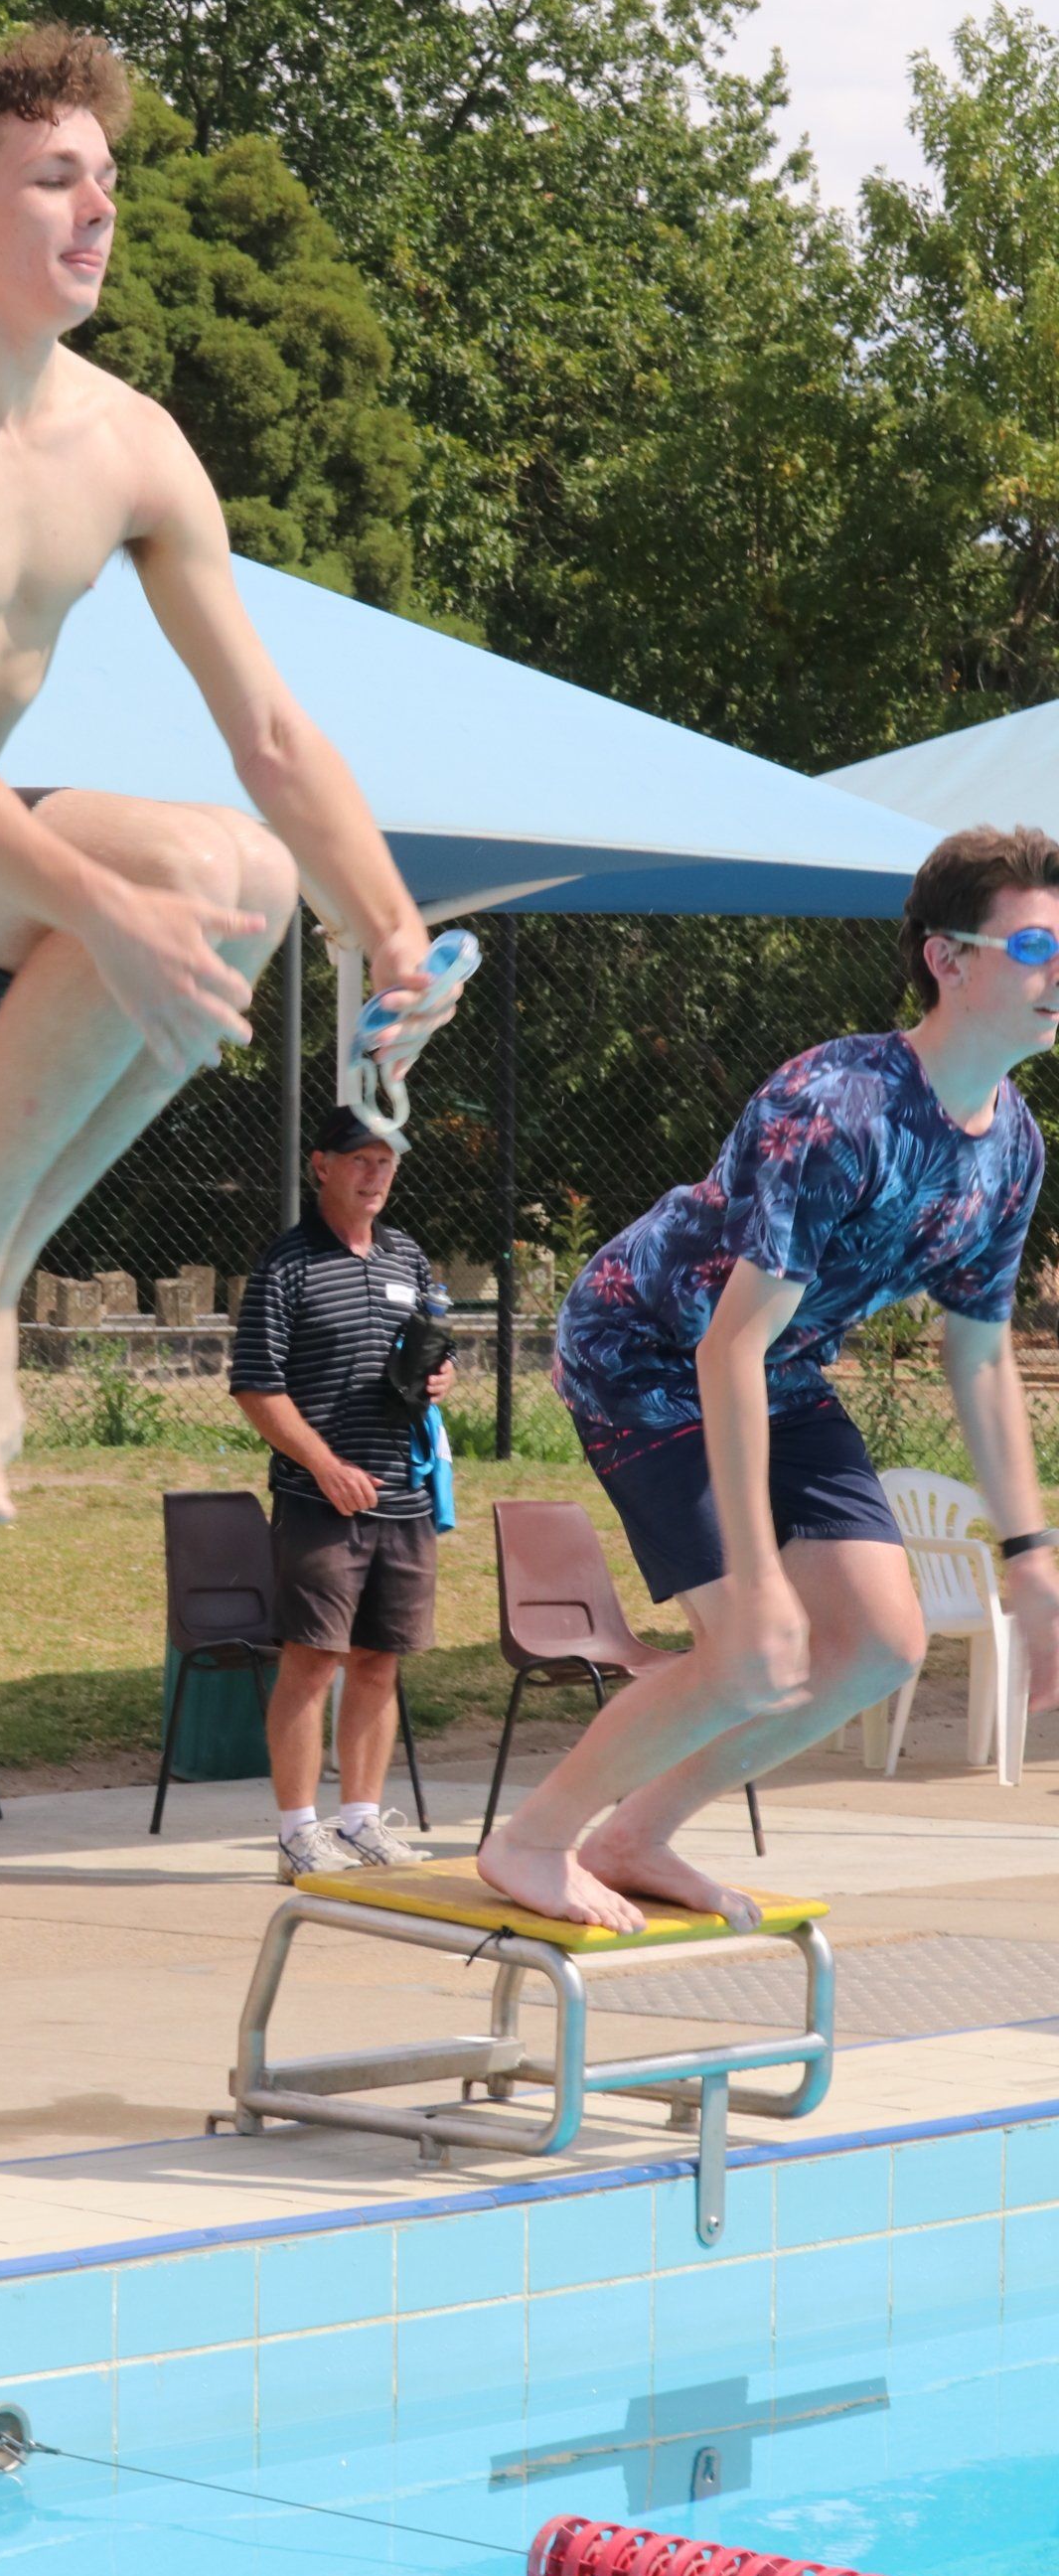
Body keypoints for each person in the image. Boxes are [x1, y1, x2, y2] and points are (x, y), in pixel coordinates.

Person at [0, 25, 462, 1523]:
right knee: (191, 877)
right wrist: (106, 909)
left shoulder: (134, 446)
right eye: (54, 179)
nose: (99, 209)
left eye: (106, 179)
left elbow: (272, 735)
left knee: (242, 885)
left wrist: (389, 928)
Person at [480, 824, 1059, 1934]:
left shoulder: (1013, 1148)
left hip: (779, 1372)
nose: (1057, 973)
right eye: (1032, 944)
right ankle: (531, 1840)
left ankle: (636, 1836)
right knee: (753, 1648)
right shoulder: (837, 1106)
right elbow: (724, 1345)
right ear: (946, 958)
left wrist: (1028, 1556)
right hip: (646, 1354)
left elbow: (978, 1354)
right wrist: (754, 1577)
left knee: (878, 1650)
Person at [230, 1108, 458, 1880]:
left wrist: (438, 1379)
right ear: (321, 1166)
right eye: (360, 1160)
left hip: (404, 1496)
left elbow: (421, 1356)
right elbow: (256, 1387)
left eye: (386, 1162)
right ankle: (298, 1834)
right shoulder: (287, 1264)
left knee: (378, 1663)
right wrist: (324, 1465)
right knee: (313, 1659)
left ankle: (360, 1820)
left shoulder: (408, 1257)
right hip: (319, 1500)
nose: (376, 1175)